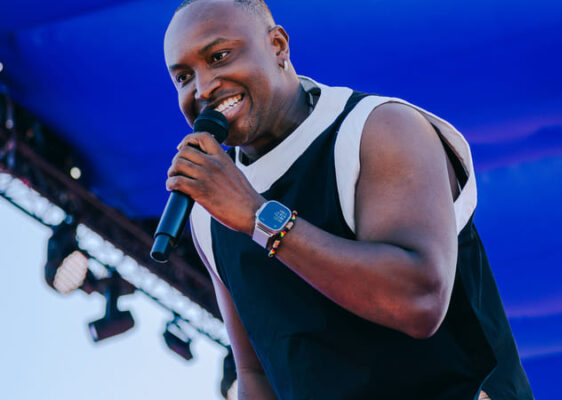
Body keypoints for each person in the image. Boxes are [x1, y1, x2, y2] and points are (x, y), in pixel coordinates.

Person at [163, 0, 534, 399]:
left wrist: (258, 217)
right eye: (184, 77)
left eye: (219, 57)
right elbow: (256, 371)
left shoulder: (378, 128)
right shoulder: (209, 215)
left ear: (277, 46)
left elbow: (419, 302)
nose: (203, 88)